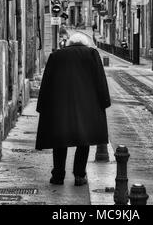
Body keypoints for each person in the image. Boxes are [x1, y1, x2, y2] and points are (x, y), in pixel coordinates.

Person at [35, 32, 111, 187]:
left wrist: (41, 105)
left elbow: (46, 82)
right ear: (84, 43)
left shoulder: (56, 56)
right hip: (86, 106)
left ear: (69, 43)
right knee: (84, 140)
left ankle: (58, 176)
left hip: (60, 106)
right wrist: (104, 101)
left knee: (59, 140)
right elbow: (100, 80)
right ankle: (79, 175)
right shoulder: (91, 54)